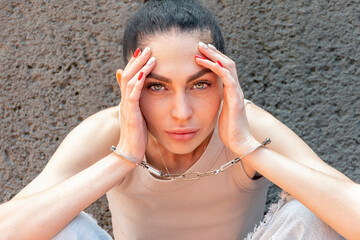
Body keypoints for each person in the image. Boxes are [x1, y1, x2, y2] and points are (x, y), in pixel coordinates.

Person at [0, 0, 359, 239]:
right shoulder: (107, 130)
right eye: (157, 87)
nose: (182, 112)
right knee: (54, 224)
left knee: (314, 211)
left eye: (200, 84)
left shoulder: (248, 124)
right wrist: (122, 157)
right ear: (128, 86)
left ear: (224, 83)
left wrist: (249, 147)